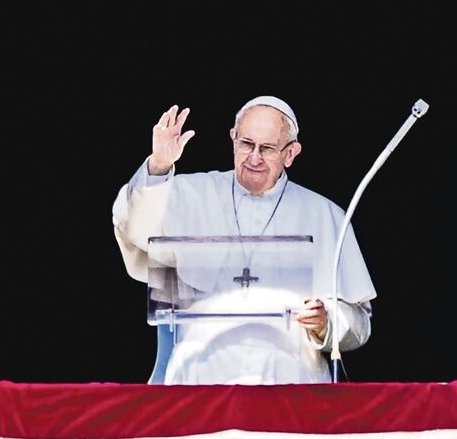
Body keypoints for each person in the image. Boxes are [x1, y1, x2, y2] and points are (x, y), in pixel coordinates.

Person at [112, 96, 376, 384]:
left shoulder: (325, 215)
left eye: (267, 149)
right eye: (246, 144)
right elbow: (134, 229)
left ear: (291, 153)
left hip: (291, 380)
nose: (253, 158)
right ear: (233, 139)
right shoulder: (188, 194)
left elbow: (358, 322)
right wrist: (159, 166)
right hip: (199, 376)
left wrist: (326, 321)